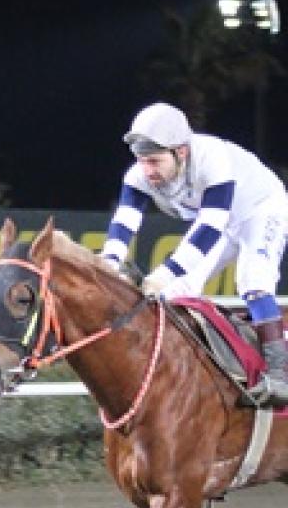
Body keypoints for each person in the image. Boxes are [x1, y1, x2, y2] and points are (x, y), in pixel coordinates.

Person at [100, 101, 288, 404]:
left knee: (253, 282)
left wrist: (162, 273)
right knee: (174, 293)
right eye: (141, 161)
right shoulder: (139, 174)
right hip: (221, 219)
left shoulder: (212, 159)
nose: (147, 171)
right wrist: (107, 264)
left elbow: (210, 228)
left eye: (155, 161)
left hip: (261, 208)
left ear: (181, 151)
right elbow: (124, 222)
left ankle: (281, 375)